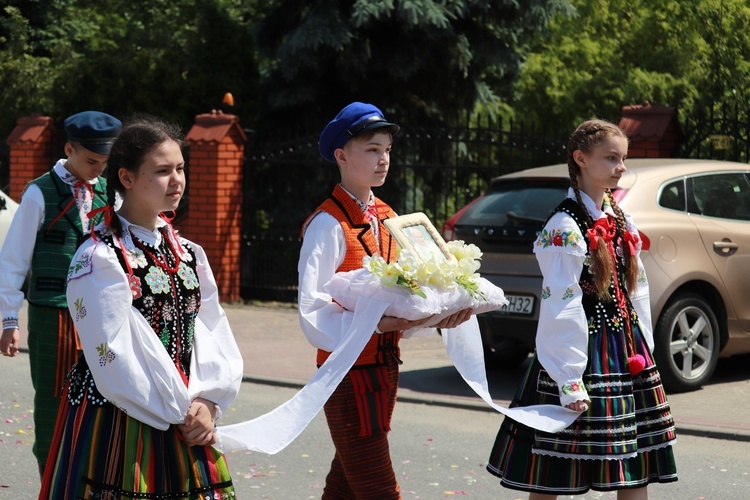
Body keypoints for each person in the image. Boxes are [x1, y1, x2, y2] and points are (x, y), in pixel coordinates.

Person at [39, 115, 243, 498]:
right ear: (127, 178)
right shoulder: (100, 256)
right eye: (162, 170)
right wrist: (180, 411)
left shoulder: (188, 253)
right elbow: (112, 351)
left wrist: (208, 400)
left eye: (180, 168)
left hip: (186, 412)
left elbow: (212, 330)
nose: (177, 180)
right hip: (122, 414)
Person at [486, 119, 677, 498]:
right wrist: (569, 377)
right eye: (611, 158)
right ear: (581, 159)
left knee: (633, 459)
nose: (621, 167)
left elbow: (636, 287)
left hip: (624, 348)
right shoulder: (564, 225)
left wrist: (645, 346)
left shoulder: (620, 216)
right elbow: (562, 302)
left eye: (623, 158)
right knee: (553, 463)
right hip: (578, 349)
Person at [298, 101, 472, 499]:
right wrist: (377, 324)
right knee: (379, 490)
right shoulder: (327, 224)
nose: (384, 159)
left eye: (387, 150)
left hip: (385, 370)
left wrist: (434, 316)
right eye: (372, 149)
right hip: (346, 375)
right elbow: (312, 311)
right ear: (341, 156)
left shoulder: (389, 216)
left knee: (345, 485)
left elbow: (403, 297)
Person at [0, 110, 121, 476]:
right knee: (54, 398)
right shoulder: (40, 192)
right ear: (69, 148)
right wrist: (8, 319)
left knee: (103, 393)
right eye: (91, 161)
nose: (98, 169)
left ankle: (87, 478)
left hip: (98, 313)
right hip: (52, 314)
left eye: (104, 162)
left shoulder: (106, 192)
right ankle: (50, 479)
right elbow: (13, 260)